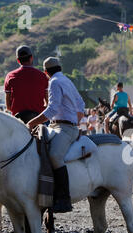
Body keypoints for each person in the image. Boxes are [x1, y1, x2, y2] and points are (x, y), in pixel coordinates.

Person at [27, 57, 85, 213]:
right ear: (59, 67)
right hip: (63, 125)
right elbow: (81, 104)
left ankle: (64, 198)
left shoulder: (54, 82)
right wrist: (76, 121)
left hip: (63, 127)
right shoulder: (67, 80)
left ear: (46, 72)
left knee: (54, 155)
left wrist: (31, 123)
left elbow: (52, 110)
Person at [4, 45, 48, 124]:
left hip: (18, 121)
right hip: (38, 121)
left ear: (18, 60)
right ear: (31, 58)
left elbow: (8, 107)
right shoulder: (43, 76)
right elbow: (48, 103)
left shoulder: (10, 76)